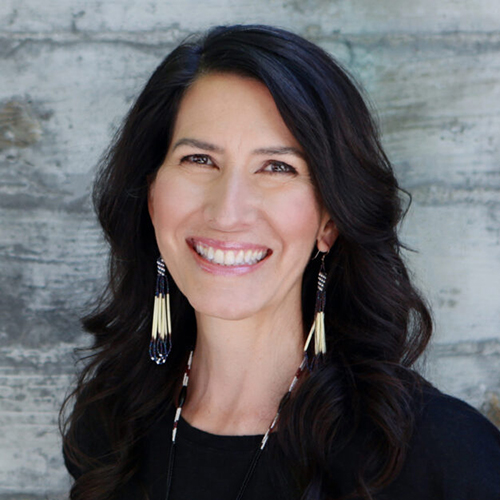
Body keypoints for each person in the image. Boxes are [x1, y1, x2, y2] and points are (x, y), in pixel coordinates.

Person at [61, 24, 500, 500]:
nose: (227, 212)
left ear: (329, 220)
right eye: (199, 160)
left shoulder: (437, 454)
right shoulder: (107, 427)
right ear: (151, 195)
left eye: (277, 168)